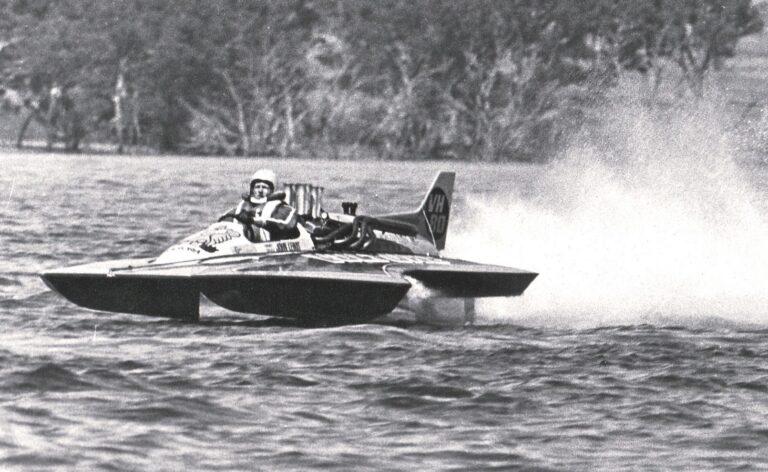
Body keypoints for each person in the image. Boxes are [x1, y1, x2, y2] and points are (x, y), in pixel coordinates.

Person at [221, 169, 298, 242]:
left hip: (272, 245)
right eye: (257, 187)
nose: (260, 190)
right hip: (244, 245)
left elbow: (285, 224)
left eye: (264, 187)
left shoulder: (282, 208)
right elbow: (223, 222)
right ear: (252, 189)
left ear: (272, 190)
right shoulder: (242, 207)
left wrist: (252, 220)